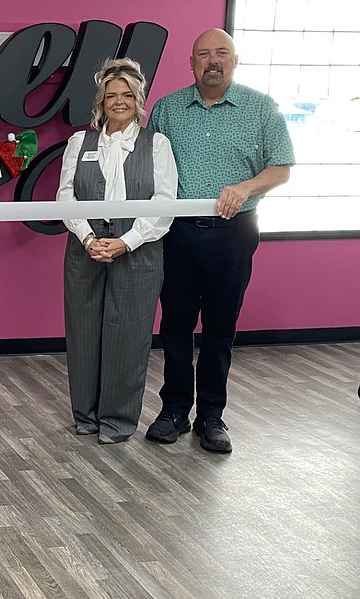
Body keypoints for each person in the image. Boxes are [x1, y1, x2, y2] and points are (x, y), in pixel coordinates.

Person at [145, 28, 294, 453]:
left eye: (222, 53)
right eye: (204, 54)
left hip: (234, 233)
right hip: (177, 232)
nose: (213, 60)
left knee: (220, 329)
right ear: (191, 63)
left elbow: (281, 167)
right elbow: (149, 167)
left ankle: (212, 415)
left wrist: (247, 188)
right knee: (174, 326)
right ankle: (173, 409)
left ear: (235, 60)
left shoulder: (261, 109)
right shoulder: (167, 109)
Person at [57, 58, 177, 444]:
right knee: (83, 332)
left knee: (128, 336)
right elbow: (65, 199)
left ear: (139, 99)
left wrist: (126, 241)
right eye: (112, 95)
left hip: (138, 248)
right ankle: (86, 416)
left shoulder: (156, 144)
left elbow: (164, 204)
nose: (119, 101)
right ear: (101, 101)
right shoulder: (80, 143)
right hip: (85, 246)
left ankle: (117, 421)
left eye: (127, 95)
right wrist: (89, 238)